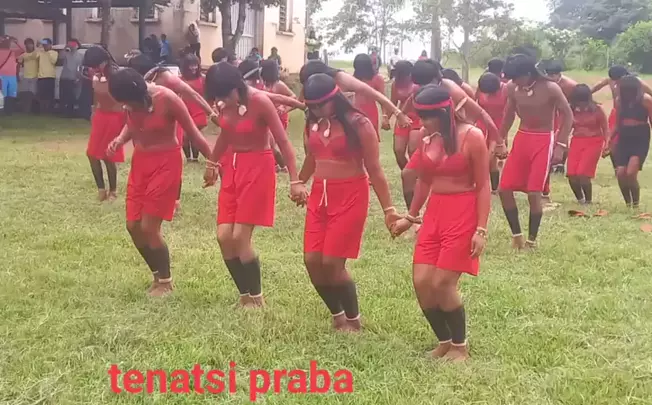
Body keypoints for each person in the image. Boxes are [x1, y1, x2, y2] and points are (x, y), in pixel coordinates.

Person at [391, 84, 490, 362]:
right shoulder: (426, 138)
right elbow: (424, 180)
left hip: (463, 212)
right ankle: (444, 341)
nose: (422, 121)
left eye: (427, 116)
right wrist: (410, 217)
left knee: (443, 282)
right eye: (420, 115)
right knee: (422, 282)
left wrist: (481, 229)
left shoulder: (472, 136)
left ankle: (460, 346)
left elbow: (483, 185)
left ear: (445, 112)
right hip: (435, 213)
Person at [297, 73, 399, 330]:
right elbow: (312, 157)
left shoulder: (358, 123)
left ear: (335, 98)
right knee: (312, 260)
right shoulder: (313, 122)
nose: (316, 110)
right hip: (320, 196)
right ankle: (337, 314)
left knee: (332, 262)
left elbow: (375, 169)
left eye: (320, 105)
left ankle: (353, 320)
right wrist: (298, 181)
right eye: (312, 106)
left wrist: (389, 210)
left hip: (350, 195)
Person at [203, 62, 305, 308]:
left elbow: (283, 142)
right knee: (223, 237)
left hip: (258, 168)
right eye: (218, 96)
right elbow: (226, 134)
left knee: (240, 237)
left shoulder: (259, 101)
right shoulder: (224, 103)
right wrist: (212, 162)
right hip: (232, 169)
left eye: (225, 95)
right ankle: (244, 295)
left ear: (237, 86)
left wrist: (295, 180)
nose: (221, 101)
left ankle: (256, 298)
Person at [105, 68, 212, 296]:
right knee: (133, 226)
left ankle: (165, 281)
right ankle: (156, 274)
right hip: (140, 163)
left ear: (139, 96)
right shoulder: (131, 104)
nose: (126, 108)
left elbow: (194, 134)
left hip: (166, 163)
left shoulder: (167, 99)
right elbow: (132, 123)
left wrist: (213, 163)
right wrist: (120, 139)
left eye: (128, 103)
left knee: (149, 227)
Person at [497, 54, 572, 249]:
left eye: (516, 77)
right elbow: (508, 115)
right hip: (522, 138)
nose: (513, 81)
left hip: (543, 139)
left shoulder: (550, 88)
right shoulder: (512, 88)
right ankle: (517, 236)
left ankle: (532, 240)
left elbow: (568, 115)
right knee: (504, 189)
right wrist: (499, 139)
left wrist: (561, 145)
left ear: (528, 73)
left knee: (533, 192)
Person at [129, 53, 219, 211]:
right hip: (147, 124)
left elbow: (193, 94)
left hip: (169, 123)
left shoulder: (167, 79)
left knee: (172, 160)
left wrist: (211, 113)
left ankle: (175, 200)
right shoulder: (140, 83)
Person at [299, 60, 412, 129]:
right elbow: (302, 101)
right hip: (319, 123)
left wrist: (398, 114)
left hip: (345, 122)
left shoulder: (342, 78)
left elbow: (376, 95)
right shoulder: (311, 84)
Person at [81, 46, 127, 202]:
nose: (93, 69)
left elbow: (124, 99)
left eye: (95, 65)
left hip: (115, 117)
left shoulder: (118, 76)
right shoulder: (96, 76)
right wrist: (93, 111)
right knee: (92, 153)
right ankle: (101, 189)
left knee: (109, 155)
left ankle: (113, 191)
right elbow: (96, 96)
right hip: (100, 116)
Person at [612, 75, 652, 208]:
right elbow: (617, 124)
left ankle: (635, 203)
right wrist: (609, 140)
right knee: (621, 173)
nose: (626, 93)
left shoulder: (646, 100)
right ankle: (628, 202)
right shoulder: (619, 101)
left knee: (631, 173)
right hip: (624, 136)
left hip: (640, 136)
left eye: (628, 90)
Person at [566, 84, 609, 204]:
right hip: (576, 141)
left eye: (583, 102)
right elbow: (566, 127)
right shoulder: (571, 110)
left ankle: (588, 201)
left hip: (594, 141)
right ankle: (580, 199)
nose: (581, 105)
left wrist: (607, 144)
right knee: (571, 174)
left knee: (583, 174)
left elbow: (606, 129)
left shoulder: (597, 110)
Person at [260, 58, 296, 172]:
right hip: (266, 116)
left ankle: (282, 164)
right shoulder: (262, 83)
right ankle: (276, 164)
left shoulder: (279, 85)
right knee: (267, 140)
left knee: (276, 141)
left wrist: (283, 107)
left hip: (278, 117)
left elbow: (293, 97)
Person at [476, 72, 508, 194]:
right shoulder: (481, 87)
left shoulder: (505, 89)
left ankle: (492, 187)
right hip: (482, 123)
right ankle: (485, 185)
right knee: (481, 153)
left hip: (498, 124)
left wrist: (503, 135)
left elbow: (510, 111)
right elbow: (473, 102)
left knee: (491, 155)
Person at [178, 54, 207, 162]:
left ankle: (194, 158)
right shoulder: (179, 79)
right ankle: (189, 158)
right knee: (184, 137)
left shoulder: (203, 79)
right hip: (184, 109)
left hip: (198, 110)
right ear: (185, 66)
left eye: (195, 65)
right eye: (191, 65)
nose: (194, 67)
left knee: (193, 134)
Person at [353, 53, 388, 138]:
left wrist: (384, 116)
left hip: (370, 114)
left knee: (371, 137)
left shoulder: (377, 79)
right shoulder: (352, 79)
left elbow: (382, 99)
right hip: (354, 113)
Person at [59, 39, 83, 118]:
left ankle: (70, 113)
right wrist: (66, 47)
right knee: (63, 96)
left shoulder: (80, 56)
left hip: (73, 78)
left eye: (74, 44)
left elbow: (80, 68)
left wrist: (78, 78)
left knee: (71, 97)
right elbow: (60, 57)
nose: (72, 46)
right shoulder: (66, 54)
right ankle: (62, 112)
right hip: (64, 77)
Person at [16, 38, 39, 113]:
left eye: (31, 44)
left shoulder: (37, 53)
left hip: (35, 77)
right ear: (25, 45)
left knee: (34, 94)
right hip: (25, 77)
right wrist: (17, 75)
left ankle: (35, 110)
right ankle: (26, 110)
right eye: (28, 44)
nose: (29, 45)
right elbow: (18, 65)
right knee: (26, 95)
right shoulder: (22, 55)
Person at [0, 36, 21, 115]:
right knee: (2, 94)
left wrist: (16, 42)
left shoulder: (13, 52)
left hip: (12, 76)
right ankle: (2, 110)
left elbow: (22, 50)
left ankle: (9, 111)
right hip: (2, 75)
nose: (7, 43)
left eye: (8, 42)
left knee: (11, 94)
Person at [36, 39, 58, 114]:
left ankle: (49, 111)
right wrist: (38, 46)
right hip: (41, 77)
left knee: (49, 96)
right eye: (44, 44)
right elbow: (35, 56)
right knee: (41, 96)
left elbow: (53, 61)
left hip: (50, 77)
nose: (45, 46)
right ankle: (42, 111)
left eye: (46, 44)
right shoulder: (41, 52)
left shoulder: (54, 53)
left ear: (50, 44)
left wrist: (48, 51)